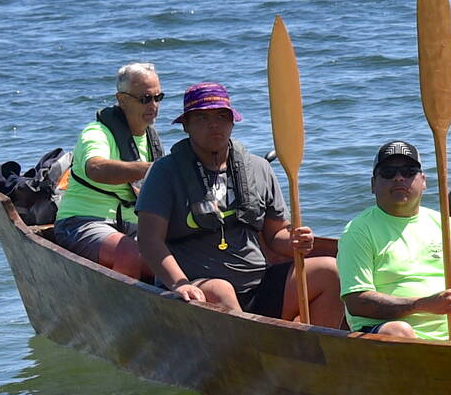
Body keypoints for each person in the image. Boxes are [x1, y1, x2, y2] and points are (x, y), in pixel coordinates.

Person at [134, 82, 344, 327]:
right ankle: (250, 353)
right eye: (202, 117)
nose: (214, 124)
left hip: (257, 282)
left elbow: (276, 233)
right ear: (186, 125)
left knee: (330, 272)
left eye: (222, 116)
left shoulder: (258, 168)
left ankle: (317, 355)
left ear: (232, 122)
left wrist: (295, 241)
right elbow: (149, 241)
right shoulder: (165, 172)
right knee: (221, 290)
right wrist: (180, 284)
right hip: (198, 287)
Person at [338, 140, 451, 343]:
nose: (399, 178)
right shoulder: (358, 230)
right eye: (388, 172)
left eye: (409, 172)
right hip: (387, 330)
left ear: (423, 181)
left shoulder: (444, 224)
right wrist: (421, 305)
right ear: (374, 184)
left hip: (448, 333)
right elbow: (357, 301)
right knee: (400, 332)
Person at [50, 61, 165, 278]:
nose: (153, 106)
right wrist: (152, 169)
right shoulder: (96, 133)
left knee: (182, 256)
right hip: (82, 222)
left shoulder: (152, 141)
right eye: (145, 99)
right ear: (122, 99)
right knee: (129, 253)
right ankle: (123, 309)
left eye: (158, 98)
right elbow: (97, 168)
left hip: (133, 227)